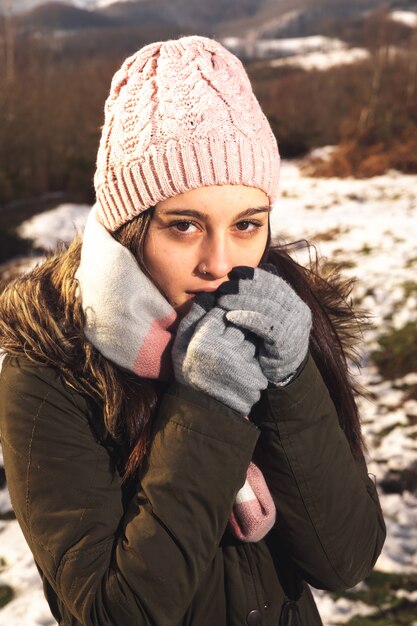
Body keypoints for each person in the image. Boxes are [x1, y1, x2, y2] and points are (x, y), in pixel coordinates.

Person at [0, 35, 385, 626]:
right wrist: (208, 403)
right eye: (184, 225)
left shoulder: (278, 319)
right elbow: (116, 613)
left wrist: (290, 382)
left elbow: (346, 560)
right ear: (129, 227)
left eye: (247, 224)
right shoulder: (51, 368)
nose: (221, 263)